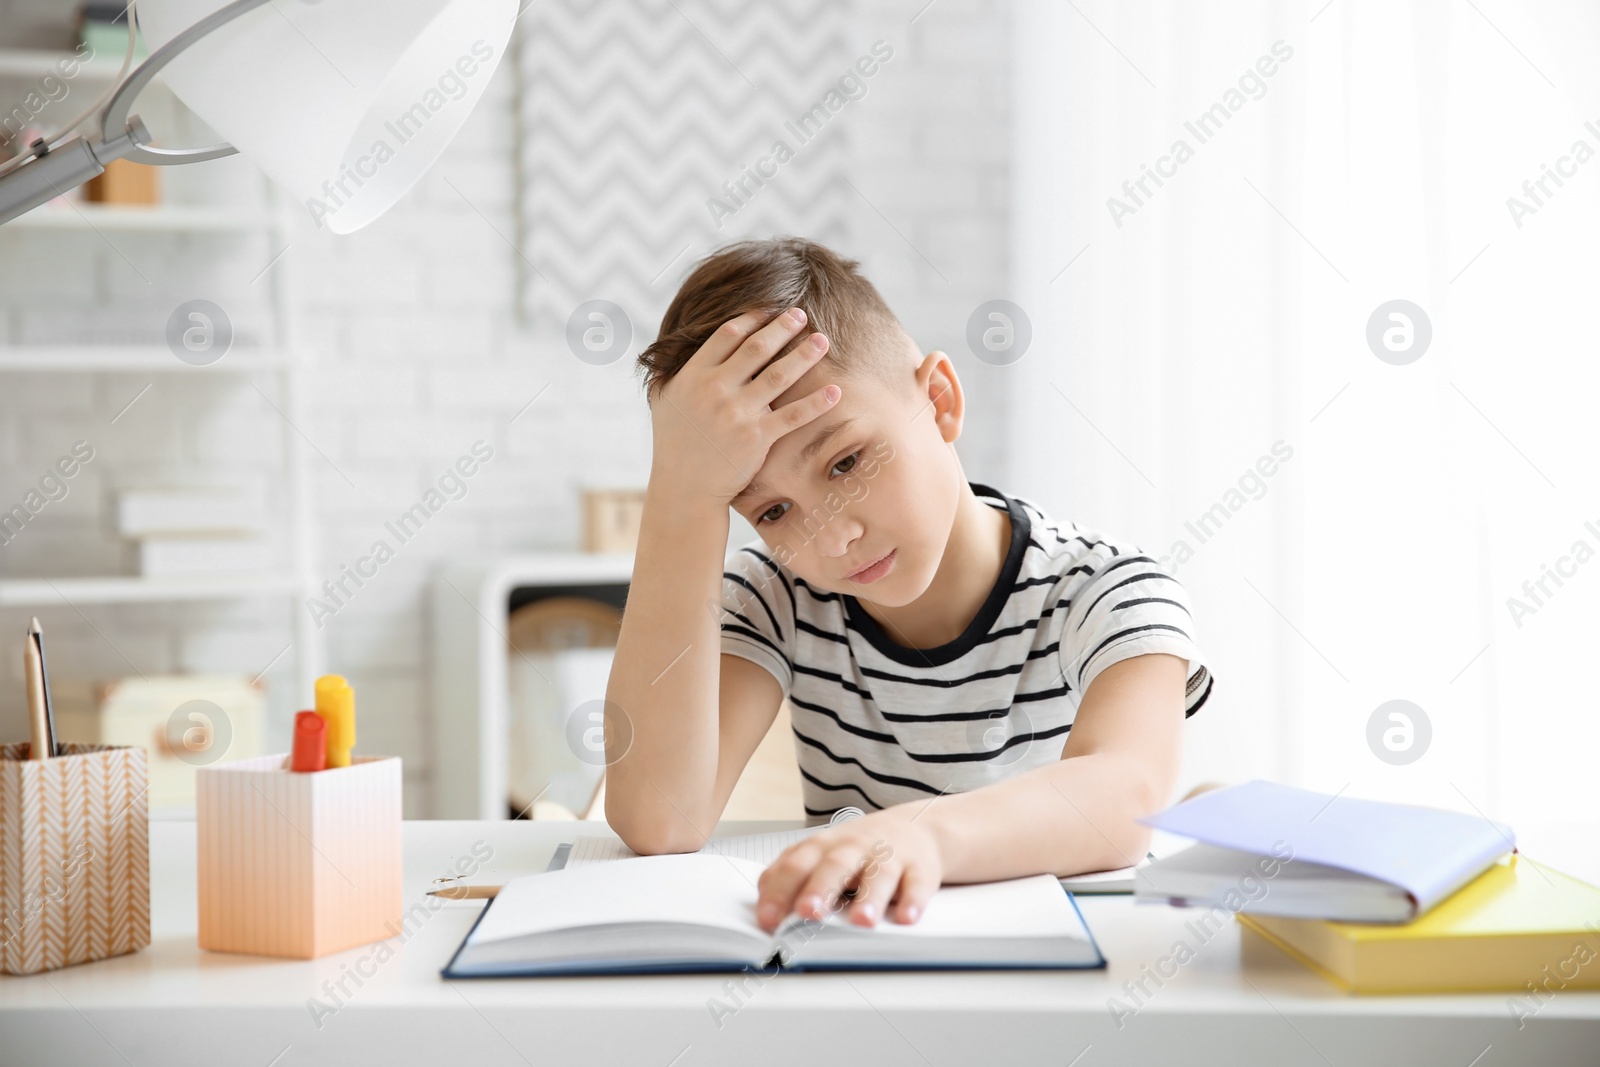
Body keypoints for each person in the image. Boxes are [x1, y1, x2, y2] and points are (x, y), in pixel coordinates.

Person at [603, 236, 1215, 933]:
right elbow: (661, 818)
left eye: (845, 462)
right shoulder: (775, 598)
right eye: (771, 511)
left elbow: (1125, 793)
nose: (829, 537)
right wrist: (682, 493)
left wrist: (921, 834)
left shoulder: (1113, 593)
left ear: (941, 400)